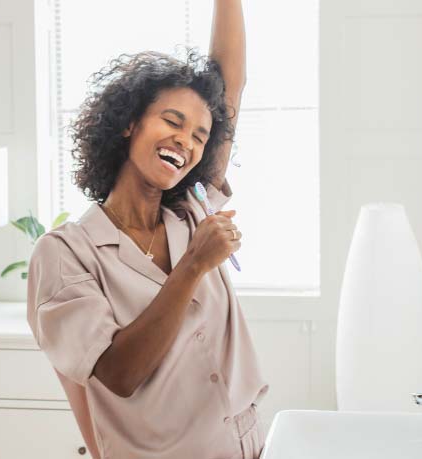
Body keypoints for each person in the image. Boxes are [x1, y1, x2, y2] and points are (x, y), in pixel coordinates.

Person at [27, 1, 268, 457]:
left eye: (200, 135)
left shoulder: (191, 210)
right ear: (129, 126)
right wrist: (194, 264)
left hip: (247, 446)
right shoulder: (65, 253)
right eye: (173, 121)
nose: (187, 139)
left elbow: (229, 90)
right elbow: (119, 373)